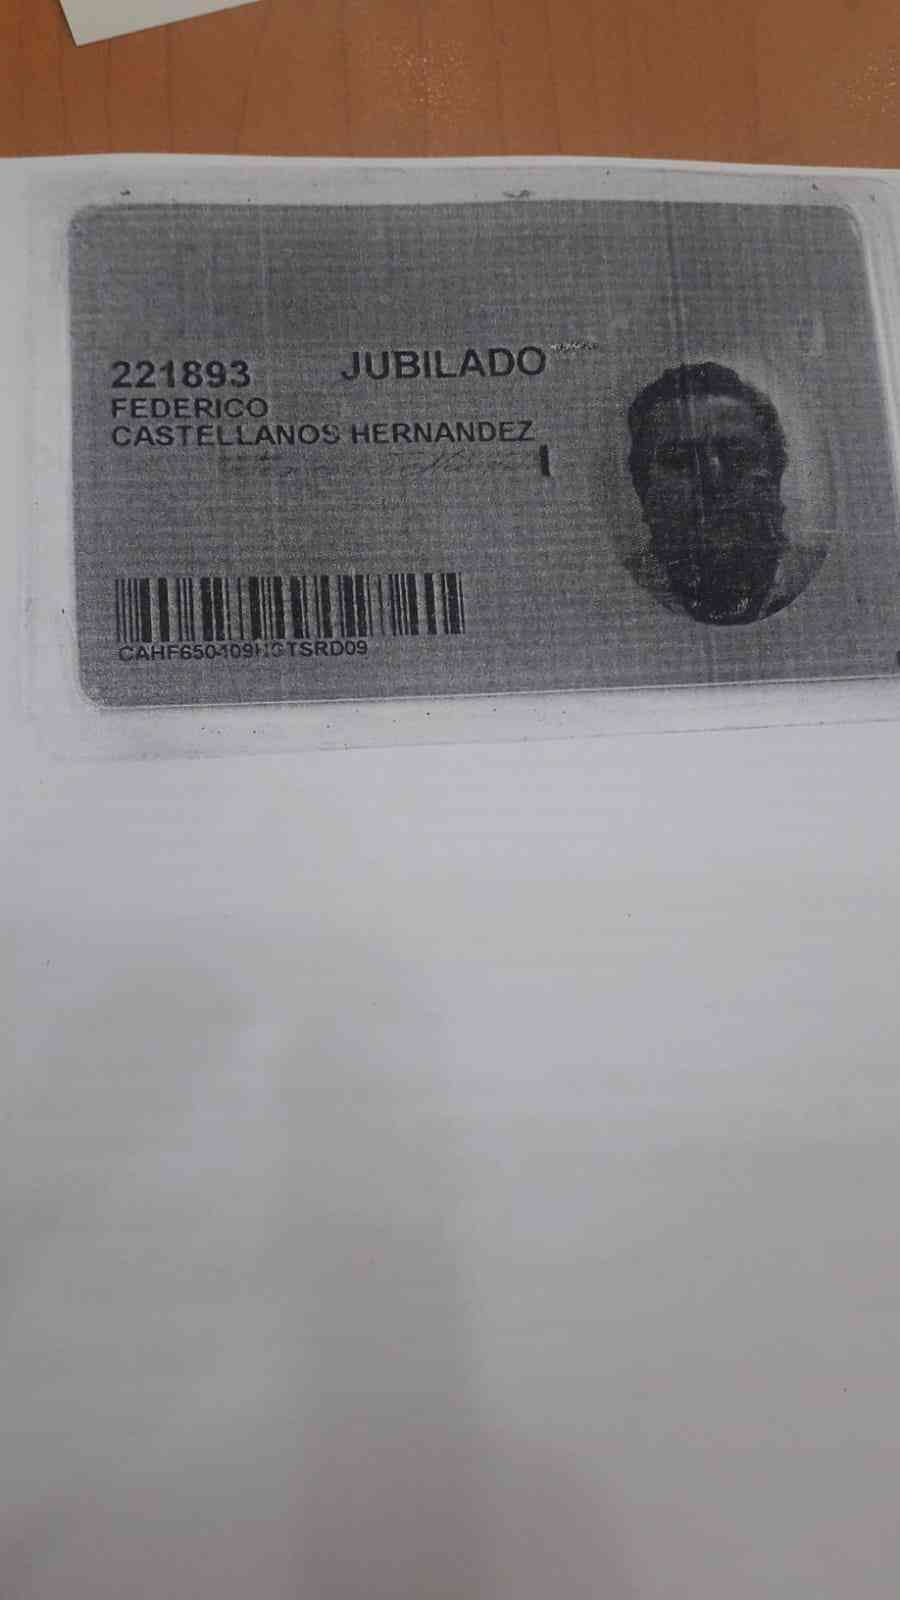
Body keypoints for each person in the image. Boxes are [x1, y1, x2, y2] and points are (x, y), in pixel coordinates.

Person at [624, 362, 826, 625]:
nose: (714, 481)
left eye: (739, 456)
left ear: (775, 473)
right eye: (680, 461)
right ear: (643, 486)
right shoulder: (620, 589)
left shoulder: (821, 579)